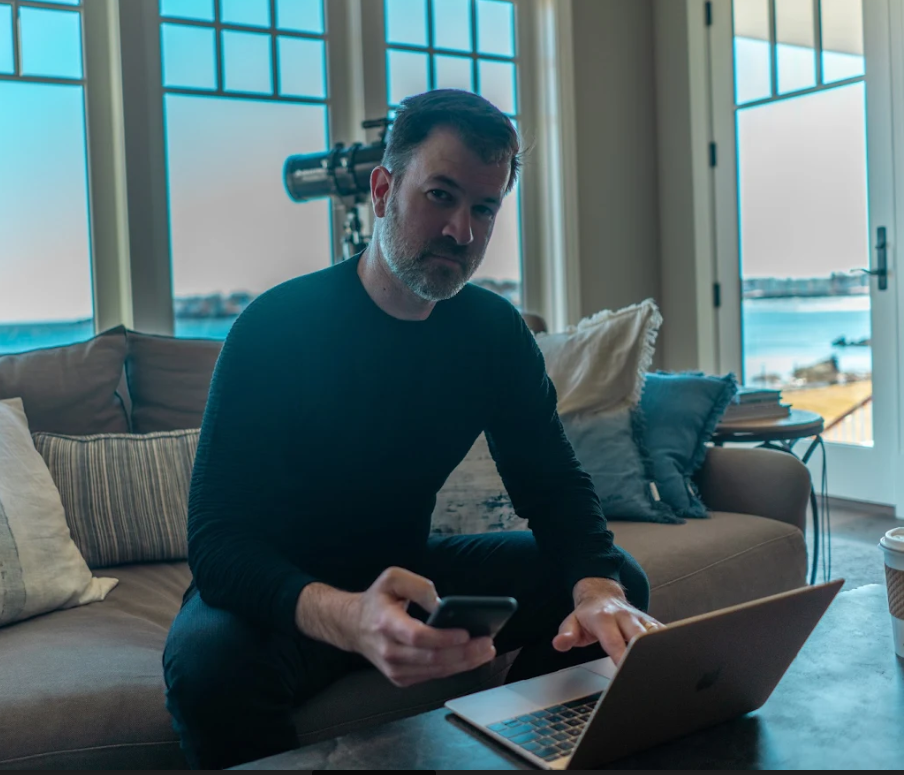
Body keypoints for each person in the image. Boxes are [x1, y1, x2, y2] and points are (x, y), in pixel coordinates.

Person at [163, 89, 662, 770]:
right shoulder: (273, 329)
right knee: (206, 663)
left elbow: (551, 483)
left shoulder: (492, 334)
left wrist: (597, 584)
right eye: (440, 196)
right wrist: (348, 615)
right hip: (280, 599)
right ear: (382, 189)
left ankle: (523, 753)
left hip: (411, 574)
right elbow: (217, 544)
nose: (462, 230)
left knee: (611, 580)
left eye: (484, 207)